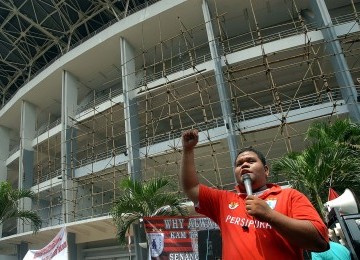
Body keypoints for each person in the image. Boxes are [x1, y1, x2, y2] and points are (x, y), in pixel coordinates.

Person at [181, 129, 329, 260]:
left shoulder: (290, 196)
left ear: (266, 170)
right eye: (239, 164)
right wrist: (188, 150)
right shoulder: (223, 200)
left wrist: (270, 215)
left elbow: (320, 241)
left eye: (251, 161)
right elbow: (191, 187)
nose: (244, 165)